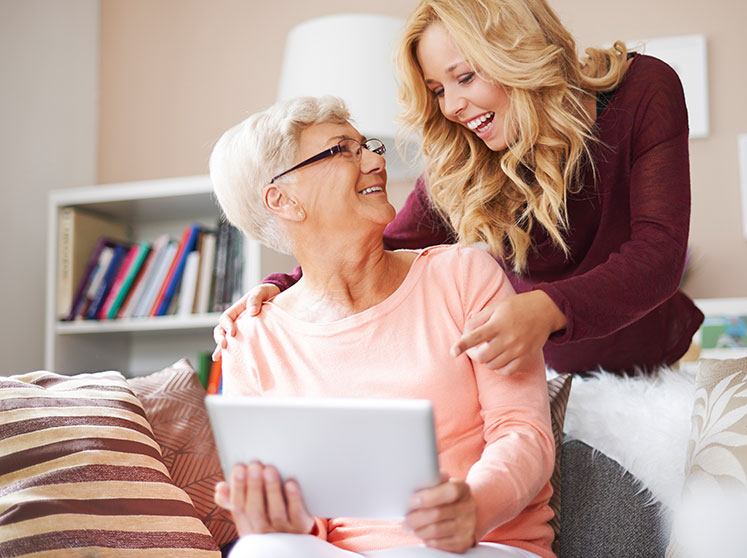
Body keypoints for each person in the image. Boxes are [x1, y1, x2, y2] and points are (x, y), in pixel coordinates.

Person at [214, 0, 704, 376]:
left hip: (648, 364)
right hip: (540, 372)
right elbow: (383, 246)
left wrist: (546, 307)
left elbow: (658, 256)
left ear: (516, 52)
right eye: (438, 91)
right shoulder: (463, 163)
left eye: (464, 77)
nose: (451, 107)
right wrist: (280, 287)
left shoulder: (644, 89)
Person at [209, 96, 555, 558]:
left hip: (482, 545)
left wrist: (475, 506)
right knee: (260, 552)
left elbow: (522, 430)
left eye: (366, 146)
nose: (375, 161)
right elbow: (306, 519)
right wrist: (282, 521)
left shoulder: (463, 276)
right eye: (342, 150)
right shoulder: (251, 339)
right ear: (283, 198)